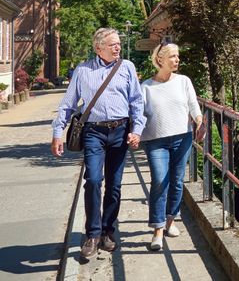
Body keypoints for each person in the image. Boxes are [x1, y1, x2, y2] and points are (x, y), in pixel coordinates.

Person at [51, 27, 146, 259]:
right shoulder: (83, 70)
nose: (118, 48)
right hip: (93, 132)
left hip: (120, 131)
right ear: (98, 47)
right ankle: (92, 234)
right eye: (113, 44)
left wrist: (137, 130)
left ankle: (107, 231)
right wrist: (57, 133)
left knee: (114, 185)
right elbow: (68, 103)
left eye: (119, 44)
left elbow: (136, 101)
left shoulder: (127, 67)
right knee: (93, 180)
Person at [140, 42, 203, 250]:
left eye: (178, 56)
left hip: (182, 137)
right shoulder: (146, 87)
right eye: (173, 56)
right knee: (159, 180)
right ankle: (157, 230)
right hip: (155, 140)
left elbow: (193, 104)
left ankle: (170, 221)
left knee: (176, 181)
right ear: (160, 60)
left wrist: (200, 121)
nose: (177, 60)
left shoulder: (184, 81)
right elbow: (139, 115)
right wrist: (134, 133)